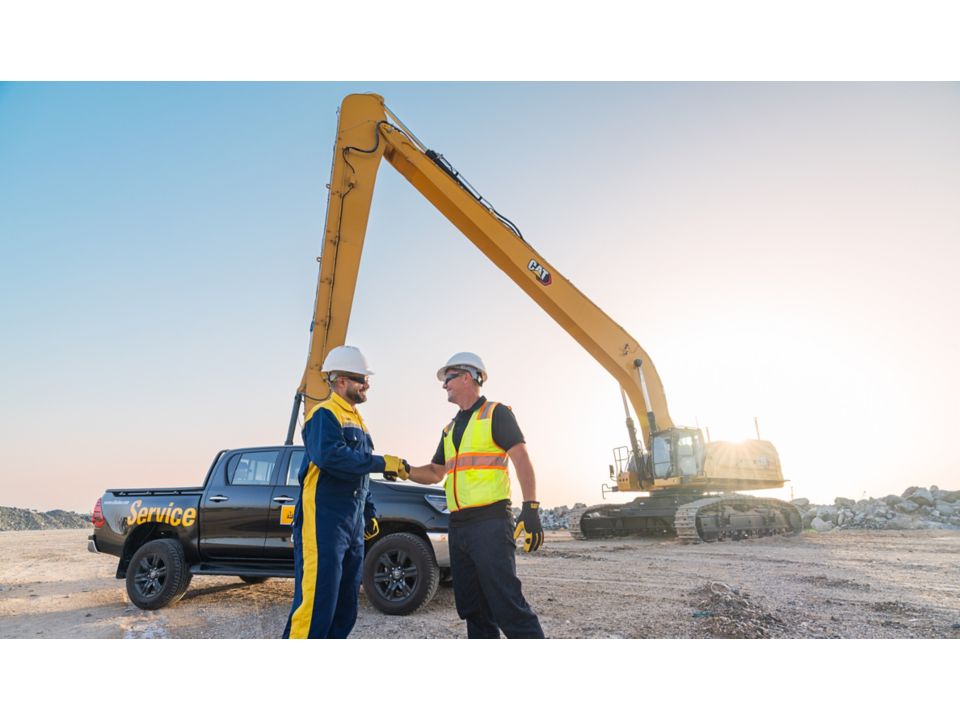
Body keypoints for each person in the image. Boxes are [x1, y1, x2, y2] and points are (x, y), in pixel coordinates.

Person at [407, 352, 545, 638]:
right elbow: (435, 472)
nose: (444, 385)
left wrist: (530, 508)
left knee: (507, 604)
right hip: (459, 526)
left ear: (468, 377)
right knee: (473, 608)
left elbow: (521, 458)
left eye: (449, 378)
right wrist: (403, 470)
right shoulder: (449, 429)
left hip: (490, 522)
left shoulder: (496, 413)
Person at [283, 345, 409, 639]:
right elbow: (331, 457)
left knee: (345, 607)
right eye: (361, 379)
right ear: (341, 380)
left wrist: (368, 511)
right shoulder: (323, 414)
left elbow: (358, 471)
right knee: (317, 605)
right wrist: (381, 462)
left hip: (351, 524)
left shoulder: (358, 421)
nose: (367, 385)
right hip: (323, 522)